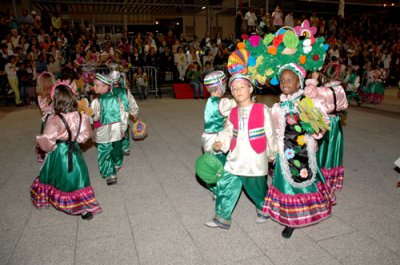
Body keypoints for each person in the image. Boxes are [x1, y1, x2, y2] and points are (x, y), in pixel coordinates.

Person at [262, 63, 333, 239]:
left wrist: (315, 128)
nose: (285, 83)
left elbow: (324, 120)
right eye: (282, 81)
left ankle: (307, 211)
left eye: (289, 80)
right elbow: (274, 129)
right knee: (286, 185)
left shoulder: (308, 102)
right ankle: (290, 219)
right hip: (284, 153)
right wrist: (272, 149)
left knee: (307, 179)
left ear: (299, 83)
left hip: (305, 151)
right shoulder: (278, 106)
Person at [205, 74, 278, 229]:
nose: (238, 91)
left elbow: (270, 133)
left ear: (250, 89)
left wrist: (272, 153)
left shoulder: (261, 109)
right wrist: (221, 143)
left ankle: (264, 209)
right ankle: (222, 217)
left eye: (242, 87)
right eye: (234, 89)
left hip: (254, 157)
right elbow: (228, 131)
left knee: (256, 187)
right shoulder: (232, 112)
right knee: (226, 183)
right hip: (235, 156)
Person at [31, 83, 102, 220]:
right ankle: (83, 209)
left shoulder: (54, 119)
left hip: (59, 151)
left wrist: (45, 147)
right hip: (74, 151)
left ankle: (56, 199)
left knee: (55, 176)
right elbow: (85, 135)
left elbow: (47, 139)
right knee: (79, 178)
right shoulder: (81, 117)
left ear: (56, 100)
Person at [304, 72, 348, 193]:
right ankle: (332, 180)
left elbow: (308, 94)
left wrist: (313, 80)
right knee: (334, 148)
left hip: (325, 121)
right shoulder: (339, 88)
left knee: (322, 148)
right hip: (336, 121)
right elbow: (344, 106)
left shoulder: (321, 90)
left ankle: (319, 178)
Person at [201, 71, 236, 194]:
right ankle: (220, 189)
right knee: (221, 163)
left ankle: (214, 186)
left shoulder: (210, 101)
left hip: (206, 137)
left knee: (212, 162)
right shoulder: (222, 102)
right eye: (225, 85)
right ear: (220, 86)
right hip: (216, 138)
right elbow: (235, 104)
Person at [91, 73, 128, 185]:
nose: (94, 87)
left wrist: (88, 115)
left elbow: (94, 117)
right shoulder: (117, 99)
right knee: (117, 146)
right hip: (116, 129)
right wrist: (123, 128)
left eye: (97, 85)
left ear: (106, 86)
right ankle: (117, 162)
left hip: (103, 131)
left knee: (104, 151)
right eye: (94, 85)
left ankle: (110, 174)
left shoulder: (96, 101)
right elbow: (123, 114)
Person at [108, 63, 139, 156]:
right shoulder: (107, 88)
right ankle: (115, 146)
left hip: (123, 111)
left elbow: (130, 99)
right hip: (112, 112)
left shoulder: (123, 84)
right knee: (113, 130)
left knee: (124, 129)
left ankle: (125, 146)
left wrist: (134, 112)